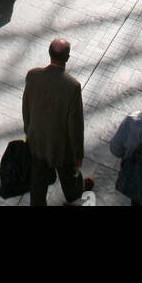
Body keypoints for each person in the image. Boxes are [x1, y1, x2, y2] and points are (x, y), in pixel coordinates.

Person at [21, 38, 88, 207]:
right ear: (67, 57)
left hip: (37, 141)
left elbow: (26, 107)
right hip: (61, 147)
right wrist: (78, 154)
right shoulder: (72, 86)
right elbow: (75, 125)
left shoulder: (33, 75)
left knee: (38, 182)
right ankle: (74, 195)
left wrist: (29, 131)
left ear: (49, 53)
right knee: (69, 177)